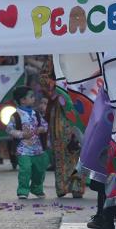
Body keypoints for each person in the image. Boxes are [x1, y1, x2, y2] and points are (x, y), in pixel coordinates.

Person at [41, 64, 85, 199]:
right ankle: (63, 187)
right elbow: (45, 84)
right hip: (60, 114)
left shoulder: (79, 61)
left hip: (78, 110)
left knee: (78, 150)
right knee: (61, 151)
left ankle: (77, 186)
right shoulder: (52, 61)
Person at [6, 86, 49, 199]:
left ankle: (36, 188)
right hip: (23, 149)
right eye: (31, 96)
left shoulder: (36, 114)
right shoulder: (15, 116)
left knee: (40, 170)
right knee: (25, 170)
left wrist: (41, 129)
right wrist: (21, 134)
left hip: (38, 149)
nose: (34, 98)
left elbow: (45, 125)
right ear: (22, 100)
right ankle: (23, 190)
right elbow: (9, 129)